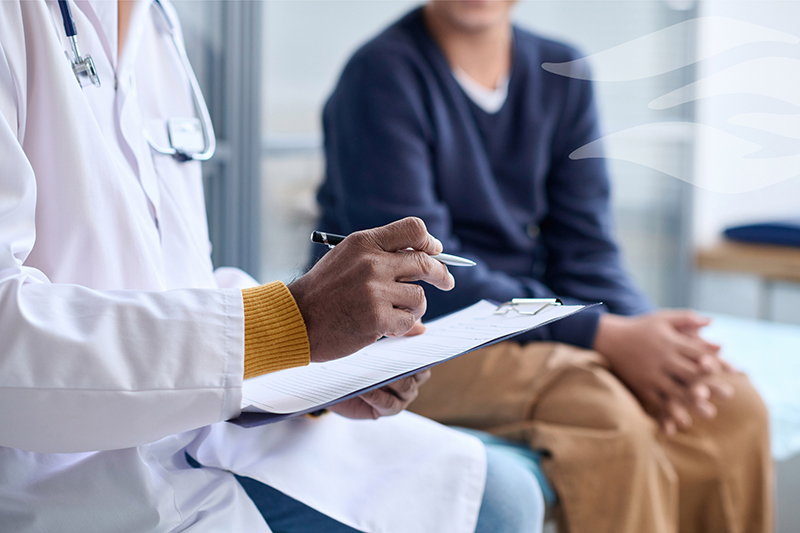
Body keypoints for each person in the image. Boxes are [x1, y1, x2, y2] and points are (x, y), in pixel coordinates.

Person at [0, 1, 547, 532]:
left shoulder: (156, 23)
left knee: (505, 496)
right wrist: (292, 322)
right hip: (61, 477)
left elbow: (172, 280)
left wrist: (324, 362)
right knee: (500, 503)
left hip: (197, 429)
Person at [314, 1, 774, 532]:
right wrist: (601, 333)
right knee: (598, 407)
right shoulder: (380, 75)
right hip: (415, 335)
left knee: (731, 404)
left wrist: (651, 342)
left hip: (525, 323)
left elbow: (588, 250)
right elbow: (419, 275)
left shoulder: (562, 72)